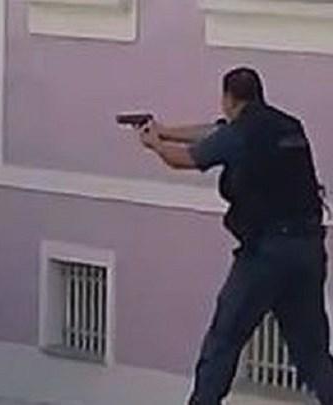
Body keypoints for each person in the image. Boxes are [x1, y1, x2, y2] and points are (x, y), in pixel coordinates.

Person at [135, 67, 333, 405]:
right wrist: (166, 131)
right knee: (312, 350)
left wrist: (155, 145)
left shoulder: (241, 134)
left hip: (266, 254)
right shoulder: (288, 126)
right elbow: (215, 133)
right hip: (308, 250)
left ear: (228, 98)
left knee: (225, 339)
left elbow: (186, 159)